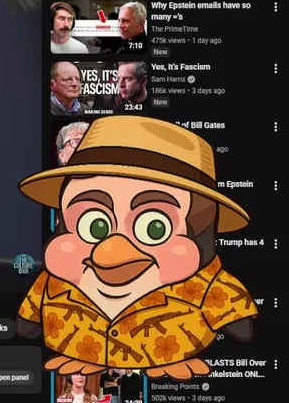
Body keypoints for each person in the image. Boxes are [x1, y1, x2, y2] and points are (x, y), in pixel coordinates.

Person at [17, 116, 257, 380]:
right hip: (79, 354)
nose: (110, 250)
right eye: (94, 225)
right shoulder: (56, 281)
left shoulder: (208, 286)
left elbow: (237, 321)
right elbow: (29, 320)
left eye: (155, 227)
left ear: (200, 231)